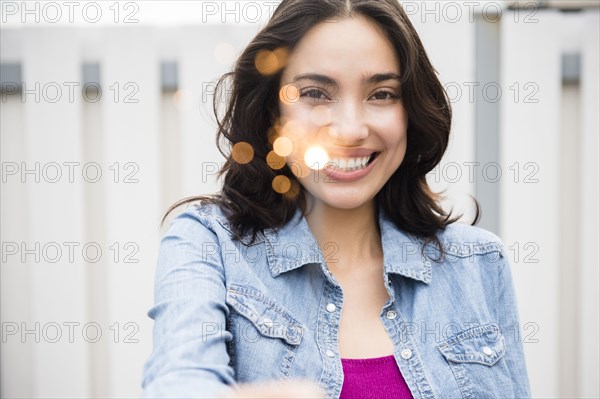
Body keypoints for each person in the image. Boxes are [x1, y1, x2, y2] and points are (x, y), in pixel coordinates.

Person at [141, 0, 531, 398]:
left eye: (381, 94)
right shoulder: (208, 245)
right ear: (271, 110)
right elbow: (179, 384)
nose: (349, 129)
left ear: (410, 111)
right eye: (315, 93)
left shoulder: (479, 263)